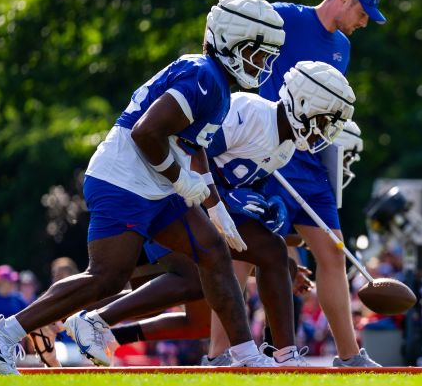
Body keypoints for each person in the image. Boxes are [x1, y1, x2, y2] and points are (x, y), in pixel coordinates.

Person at [0, 0, 286, 374]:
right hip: (124, 178)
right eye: (257, 53)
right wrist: (181, 181)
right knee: (107, 276)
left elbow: (194, 147)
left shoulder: (216, 84)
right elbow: (146, 132)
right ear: (231, 41)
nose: (262, 64)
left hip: (154, 180)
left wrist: (215, 205)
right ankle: (6, 332)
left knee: (211, 252)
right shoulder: (202, 74)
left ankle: (245, 354)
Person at [63, 62, 352, 367]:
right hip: (174, 198)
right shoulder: (249, 112)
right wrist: (226, 199)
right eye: (325, 119)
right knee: (182, 281)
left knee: (273, 251)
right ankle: (91, 320)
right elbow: (191, 152)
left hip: (211, 207)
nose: (326, 129)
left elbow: (246, 182)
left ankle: (285, 355)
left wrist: (265, 207)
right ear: (305, 103)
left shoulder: (287, 146)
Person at [257, 0, 387, 368]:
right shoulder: (282, 17)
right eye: (364, 13)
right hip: (269, 155)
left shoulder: (342, 47)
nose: (364, 22)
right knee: (247, 252)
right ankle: (220, 353)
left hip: (311, 161)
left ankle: (348, 356)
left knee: (333, 253)